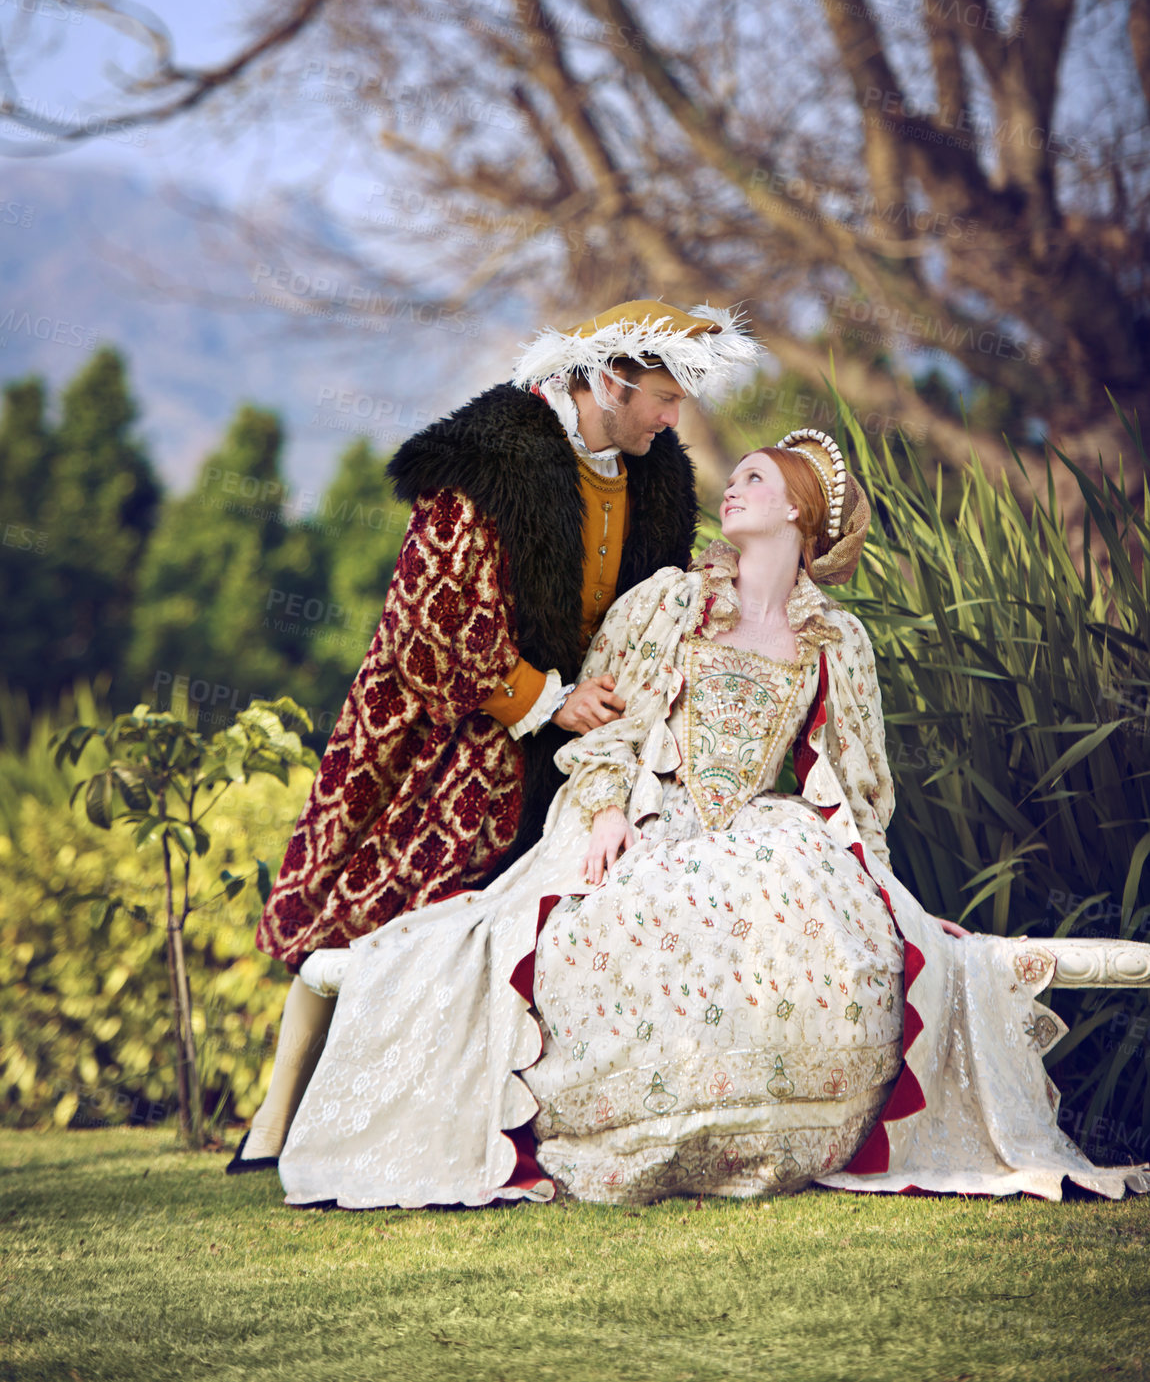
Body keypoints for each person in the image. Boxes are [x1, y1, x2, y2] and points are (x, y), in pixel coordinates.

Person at [273, 430, 1142, 1207]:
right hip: (656, 817)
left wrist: (875, 883)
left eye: (757, 480)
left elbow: (862, 782)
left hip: (774, 832)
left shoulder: (836, 640)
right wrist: (607, 809)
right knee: (608, 936)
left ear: (800, 512)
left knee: (819, 950)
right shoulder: (667, 603)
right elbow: (612, 720)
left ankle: (781, 1128)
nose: (733, 486)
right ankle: (627, 1134)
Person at [227, 299, 759, 1171]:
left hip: (581, 748)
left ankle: (464, 1122)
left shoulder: (658, 476)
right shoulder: (486, 459)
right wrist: (544, 700)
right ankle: (276, 1120)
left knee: (524, 937)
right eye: (663, 397)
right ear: (609, 380)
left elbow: (653, 604)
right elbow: (428, 620)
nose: (674, 418)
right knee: (369, 922)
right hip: (438, 734)